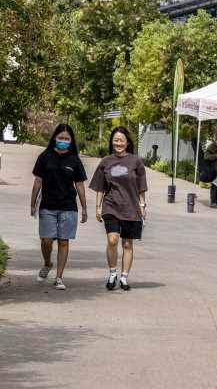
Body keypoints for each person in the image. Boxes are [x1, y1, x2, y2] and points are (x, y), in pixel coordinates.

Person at [29, 124, 88, 290]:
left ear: (71, 141)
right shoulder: (45, 157)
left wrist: (84, 208)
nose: (63, 141)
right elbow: (38, 181)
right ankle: (47, 263)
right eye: (60, 138)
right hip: (47, 205)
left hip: (68, 206)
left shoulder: (74, 160)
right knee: (46, 240)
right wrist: (32, 203)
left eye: (66, 139)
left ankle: (59, 277)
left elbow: (80, 185)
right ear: (55, 138)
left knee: (63, 241)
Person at [90, 126, 148, 291]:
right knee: (112, 240)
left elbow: (141, 186)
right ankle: (112, 273)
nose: (119, 143)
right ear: (111, 142)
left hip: (131, 208)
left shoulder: (136, 162)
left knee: (127, 244)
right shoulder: (106, 162)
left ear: (128, 142)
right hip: (111, 205)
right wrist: (98, 207)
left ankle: (124, 277)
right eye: (116, 140)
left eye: (122, 140)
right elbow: (100, 187)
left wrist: (142, 205)